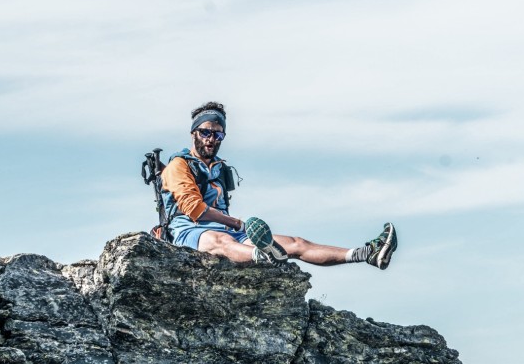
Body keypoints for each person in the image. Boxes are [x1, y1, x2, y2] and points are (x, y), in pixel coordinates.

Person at [160, 100, 397, 269]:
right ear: (193, 133)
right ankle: (263, 256)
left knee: (296, 244)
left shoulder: (220, 168)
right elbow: (195, 209)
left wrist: (235, 227)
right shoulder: (179, 166)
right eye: (205, 133)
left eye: (218, 135)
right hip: (189, 231)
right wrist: (236, 223)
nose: (211, 139)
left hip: (228, 230)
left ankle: (365, 254)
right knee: (221, 242)